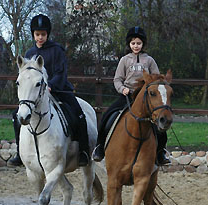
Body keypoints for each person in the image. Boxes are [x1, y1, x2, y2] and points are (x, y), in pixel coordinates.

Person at [9, 14, 90, 167]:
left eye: (43, 34)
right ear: (33, 34)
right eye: (37, 34)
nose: (40, 37)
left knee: (78, 114)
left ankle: (83, 152)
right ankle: (20, 152)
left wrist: (51, 85)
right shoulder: (29, 54)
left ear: (47, 34)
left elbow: (61, 72)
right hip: (37, 94)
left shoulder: (57, 50)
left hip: (59, 90)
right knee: (16, 116)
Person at [92, 26, 170, 165]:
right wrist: (122, 89)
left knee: (159, 122)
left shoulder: (149, 60)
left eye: (139, 43)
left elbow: (157, 79)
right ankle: (99, 147)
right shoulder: (125, 60)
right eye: (133, 43)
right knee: (107, 116)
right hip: (127, 96)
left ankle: (160, 152)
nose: (136, 46)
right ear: (129, 44)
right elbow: (117, 79)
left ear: (143, 44)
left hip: (145, 98)